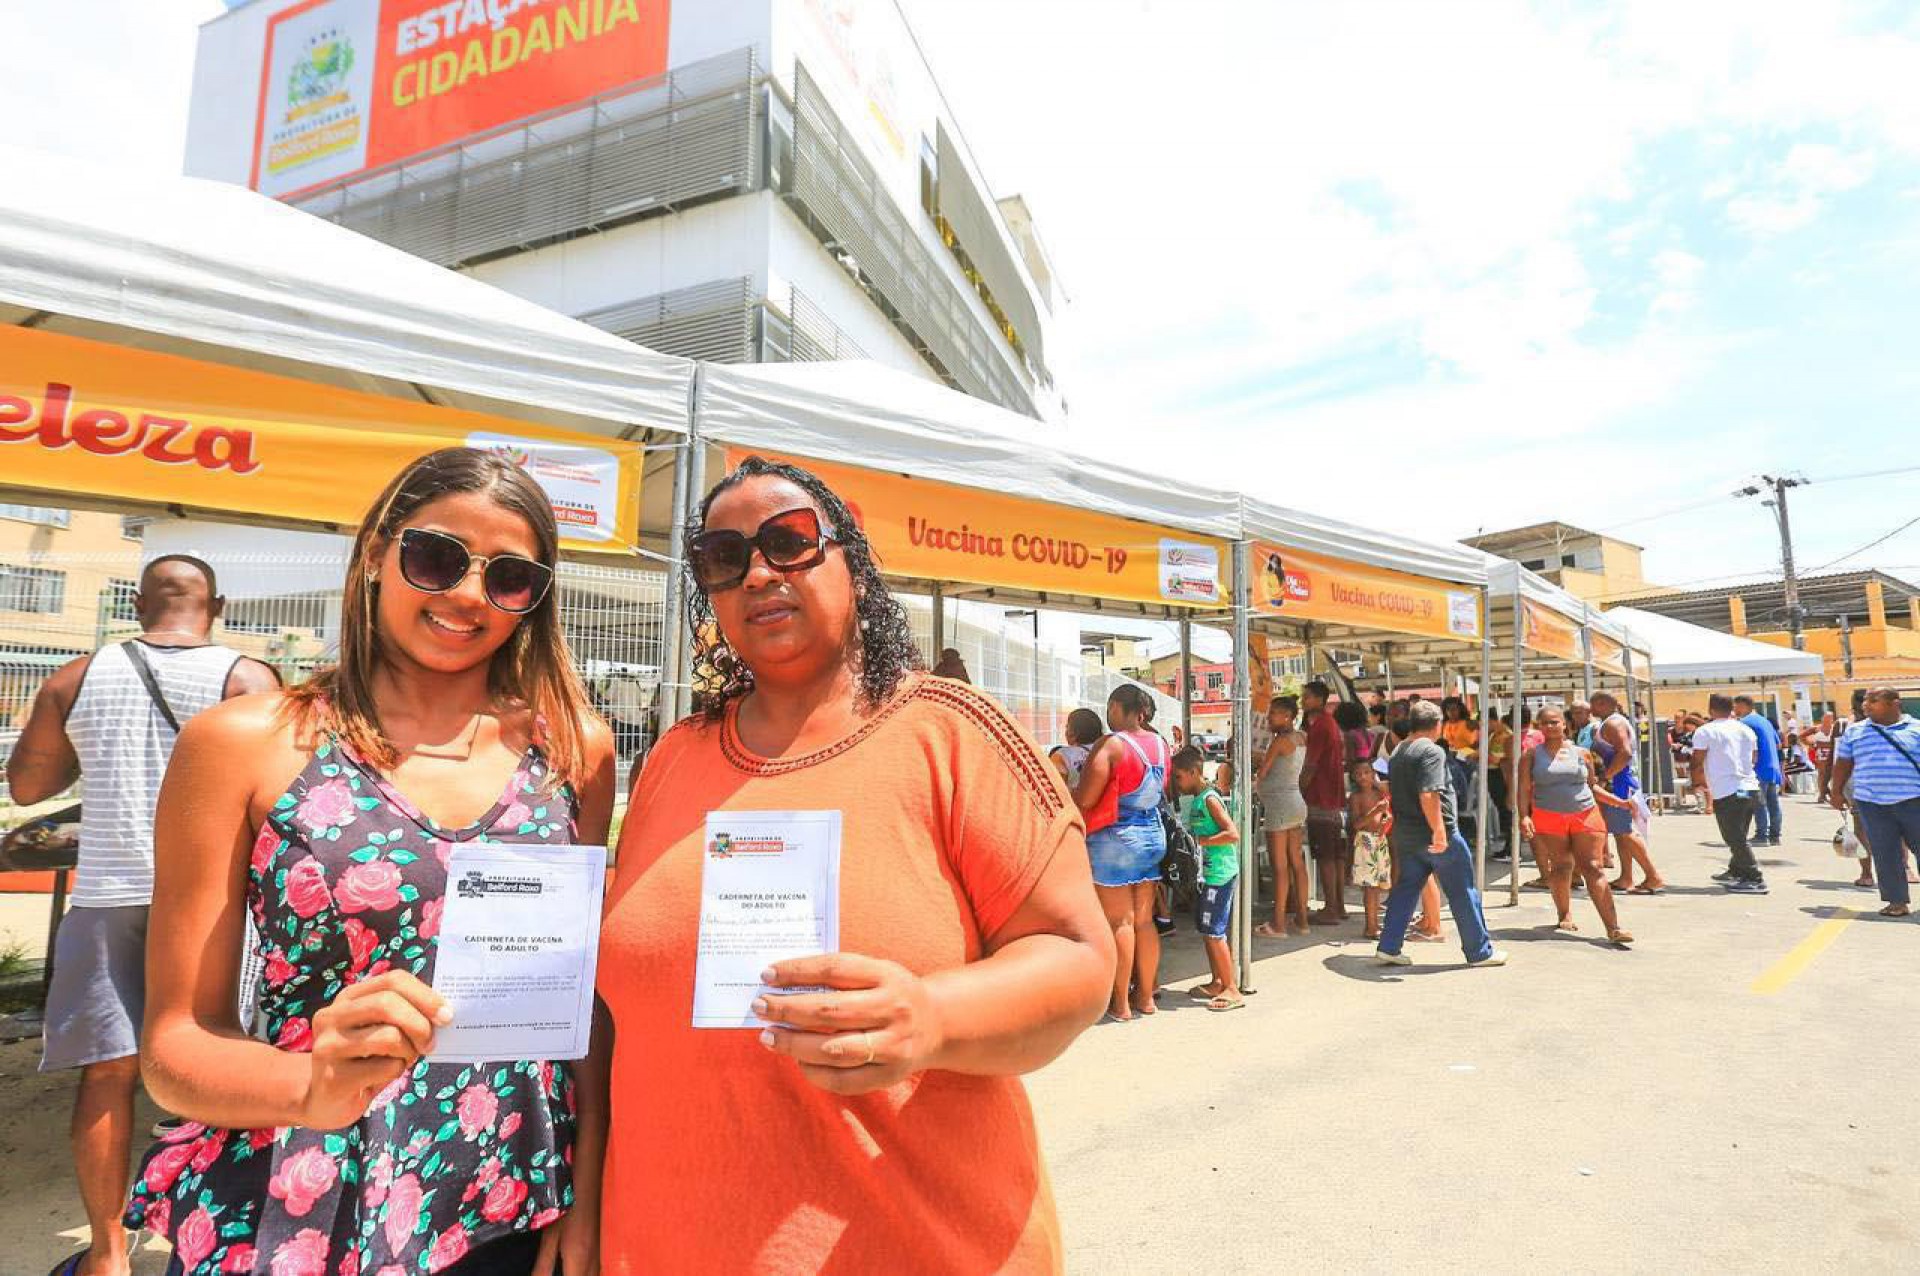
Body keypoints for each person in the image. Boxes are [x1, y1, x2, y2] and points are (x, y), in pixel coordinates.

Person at [597, 457, 1110, 1273]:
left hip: (913, 1248)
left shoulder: (952, 734)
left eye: (790, 541)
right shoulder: (671, 760)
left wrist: (932, 1016)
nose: (758, 572)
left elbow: (1079, 958)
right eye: (724, 558)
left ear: (854, 564)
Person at [126, 449, 618, 1274]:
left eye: (510, 577)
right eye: (437, 558)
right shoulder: (244, 743)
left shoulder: (575, 752)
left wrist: (588, 1189)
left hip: (507, 1200)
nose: (469, 595)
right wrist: (307, 1087)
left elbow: (583, 1004)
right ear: (377, 556)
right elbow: (176, 1044)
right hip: (305, 1194)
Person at [5, 555, 279, 1276]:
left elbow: (28, 786)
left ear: (135, 602)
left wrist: (95, 753)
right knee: (223, 1066)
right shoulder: (248, 681)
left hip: (107, 896)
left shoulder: (75, 678)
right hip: (215, 905)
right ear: (217, 604)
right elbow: (286, 796)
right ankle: (213, 1242)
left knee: (106, 1076)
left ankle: (106, 1254)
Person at [1374, 701, 1507, 969]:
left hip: (1407, 833)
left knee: (1405, 890)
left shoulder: (1399, 751)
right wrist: (1439, 832)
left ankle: (1389, 946)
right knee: (1462, 891)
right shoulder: (1431, 751)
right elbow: (1429, 793)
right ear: (1438, 724)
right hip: (1435, 833)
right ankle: (1479, 952)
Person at [1074, 683, 1170, 1020]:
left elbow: (1086, 798)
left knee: (1120, 922)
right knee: (1145, 921)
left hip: (1115, 840)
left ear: (1116, 706)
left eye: (1110, 708)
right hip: (1152, 836)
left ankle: (1121, 1003)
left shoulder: (1112, 745)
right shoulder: (1161, 745)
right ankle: (1146, 997)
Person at [1517, 706, 1634, 945]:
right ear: (1539, 727)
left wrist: (1618, 802)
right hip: (1549, 817)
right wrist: (1524, 816)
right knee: (1561, 867)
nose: (1550, 727)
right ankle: (1564, 914)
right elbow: (1524, 789)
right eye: (1545, 723)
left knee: (1593, 868)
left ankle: (1613, 928)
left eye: (1555, 722)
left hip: (1585, 815)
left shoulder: (1582, 753)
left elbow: (1592, 786)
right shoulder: (1531, 756)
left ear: (1564, 724)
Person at [1830, 688, 1920, 918]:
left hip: (1913, 800)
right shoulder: (1855, 731)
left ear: (1894, 703)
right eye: (1865, 701)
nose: (1865, 705)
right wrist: (1836, 791)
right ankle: (1896, 902)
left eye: (1873, 700)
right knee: (1885, 852)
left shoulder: (1916, 729)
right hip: (1871, 803)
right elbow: (1843, 763)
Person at [1172, 747, 1244, 1011]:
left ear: (1194, 772)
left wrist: (1200, 841)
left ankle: (1231, 988)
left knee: (1214, 932)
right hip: (1206, 875)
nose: (1177, 783)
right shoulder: (1197, 799)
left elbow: (1232, 834)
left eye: (1179, 777)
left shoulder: (1210, 799)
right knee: (1207, 930)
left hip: (1219, 875)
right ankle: (1218, 981)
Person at [1691, 693, 1767, 894]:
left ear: (1711, 709)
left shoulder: (1705, 731)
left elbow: (1697, 760)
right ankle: (1736, 871)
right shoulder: (1745, 729)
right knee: (1739, 834)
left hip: (1727, 790)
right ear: (1732, 708)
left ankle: (1754, 878)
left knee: (1734, 837)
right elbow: (1754, 757)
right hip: (1750, 787)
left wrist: (1697, 783)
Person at [1592, 691, 1665, 894]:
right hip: (1621, 782)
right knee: (1620, 833)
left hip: (1619, 784)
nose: (1591, 709)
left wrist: (1606, 777)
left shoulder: (1613, 724)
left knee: (1625, 832)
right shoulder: (1614, 722)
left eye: (1592, 704)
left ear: (1601, 703)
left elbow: (1624, 753)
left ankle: (1653, 876)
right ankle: (1626, 877)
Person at [1254, 696, 1310, 938]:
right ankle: (1302, 920)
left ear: (1287, 716)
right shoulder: (1301, 737)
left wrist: (1257, 763)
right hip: (1296, 802)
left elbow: (1263, 773)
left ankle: (1278, 924)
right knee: (1296, 863)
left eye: (1274, 713)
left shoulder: (1280, 741)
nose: (1269, 717)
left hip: (1279, 806)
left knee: (1279, 867)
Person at [1299, 680, 1350, 924]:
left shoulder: (1320, 726)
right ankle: (1337, 905)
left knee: (1326, 856)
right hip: (1333, 798)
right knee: (1335, 855)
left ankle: (1331, 908)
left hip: (1321, 797)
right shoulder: (1330, 723)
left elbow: (1310, 765)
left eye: (1307, 697)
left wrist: (1298, 790)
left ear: (1319, 699)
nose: (1303, 701)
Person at [1349, 759, 1393, 941]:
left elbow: (1387, 815)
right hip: (1365, 842)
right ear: (1354, 777)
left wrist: (1385, 820)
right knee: (1369, 887)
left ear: (1373, 774)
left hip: (1380, 840)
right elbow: (1356, 824)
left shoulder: (1380, 793)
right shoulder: (1355, 797)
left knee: (1378, 887)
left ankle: (1374, 923)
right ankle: (1370, 927)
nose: (1363, 777)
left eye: (1366, 772)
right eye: (1358, 774)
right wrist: (1375, 811)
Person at [1735, 695, 1786, 847]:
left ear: (1743, 705)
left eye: (1736, 706)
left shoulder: (1745, 723)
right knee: (1773, 803)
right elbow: (1778, 744)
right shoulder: (1765, 721)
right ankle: (1775, 836)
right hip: (1772, 768)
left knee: (1758, 803)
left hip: (1758, 768)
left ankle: (1761, 835)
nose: (1734, 709)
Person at [1049, 707, 1105, 791]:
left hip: (1075, 799)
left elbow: (1055, 790)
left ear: (1072, 733)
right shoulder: (1107, 752)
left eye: (1067, 727)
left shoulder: (1063, 755)